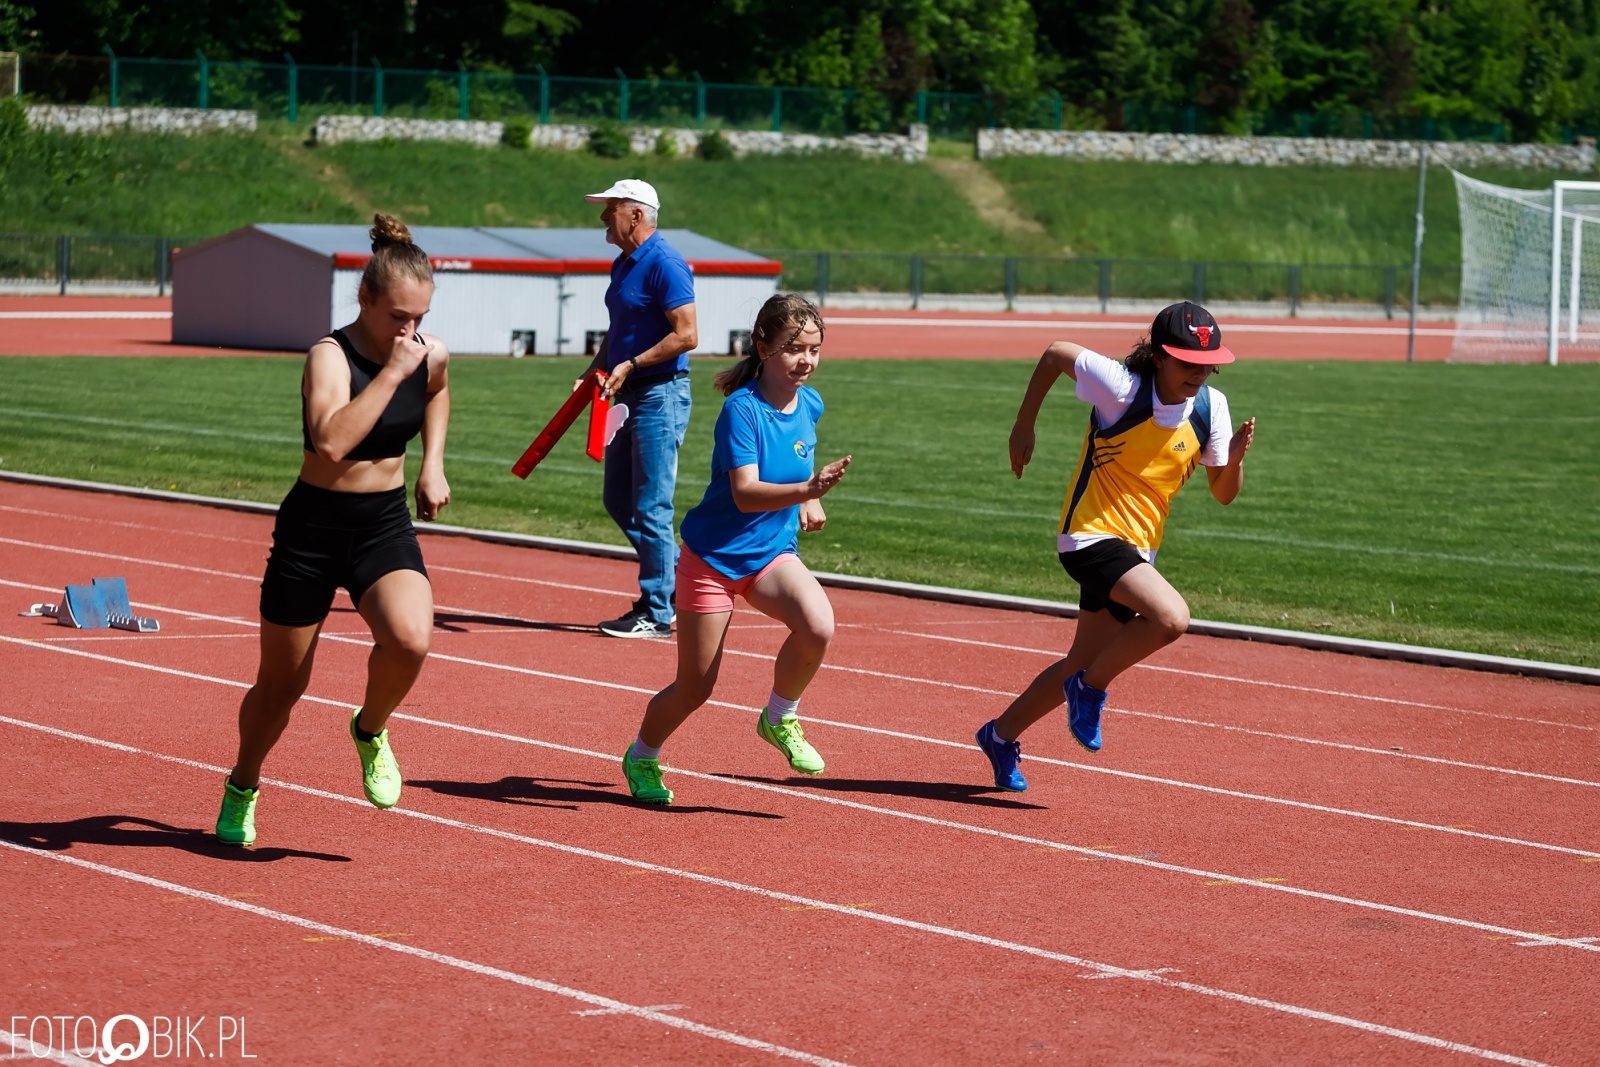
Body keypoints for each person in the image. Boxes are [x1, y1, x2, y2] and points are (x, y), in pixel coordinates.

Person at [215, 214, 452, 846]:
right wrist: (395, 372)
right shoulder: (329, 356)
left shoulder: (426, 354)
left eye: (420, 319)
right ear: (364, 300)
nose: (410, 332)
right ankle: (244, 781)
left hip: (382, 523)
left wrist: (432, 464)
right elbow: (330, 443)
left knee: (410, 640)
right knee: (281, 689)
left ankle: (369, 730)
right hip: (313, 531)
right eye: (397, 317)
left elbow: (438, 390)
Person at [975, 301, 1256, 792]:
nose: (1200, 372)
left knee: (1078, 661)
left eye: (1209, 363)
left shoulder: (1213, 407)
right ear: (1161, 356)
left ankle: (1000, 735)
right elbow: (1055, 353)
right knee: (1171, 617)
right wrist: (1024, 424)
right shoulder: (1123, 386)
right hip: (1089, 535)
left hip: (1138, 551)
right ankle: (1090, 690)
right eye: (1188, 361)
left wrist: (1231, 461)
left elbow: (1223, 494)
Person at [620, 293, 851, 804]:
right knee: (695, 688)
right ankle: (642, 755)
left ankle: (779, 718)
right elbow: (746, 493)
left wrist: (805, 505)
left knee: (818, 625)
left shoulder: (810, 403)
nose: (806, 361)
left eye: (814, 349)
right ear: (762, 345)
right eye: (794, 349)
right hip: (712, 561)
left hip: (770, 556)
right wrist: (808, 492)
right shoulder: (740, 412)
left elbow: (791, 465)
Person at [581, 178, 698, 639]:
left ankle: (658, 609)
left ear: (635, 214)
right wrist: (595, 369)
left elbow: (687, 335)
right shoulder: (623, 265)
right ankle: (678, 583)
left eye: (609, 208)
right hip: (627, 392)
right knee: (618, 498)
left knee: (651, 505)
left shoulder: (666, 263)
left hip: (660, 394)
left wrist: (630, 364)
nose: (602, 217)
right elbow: (619, 329)